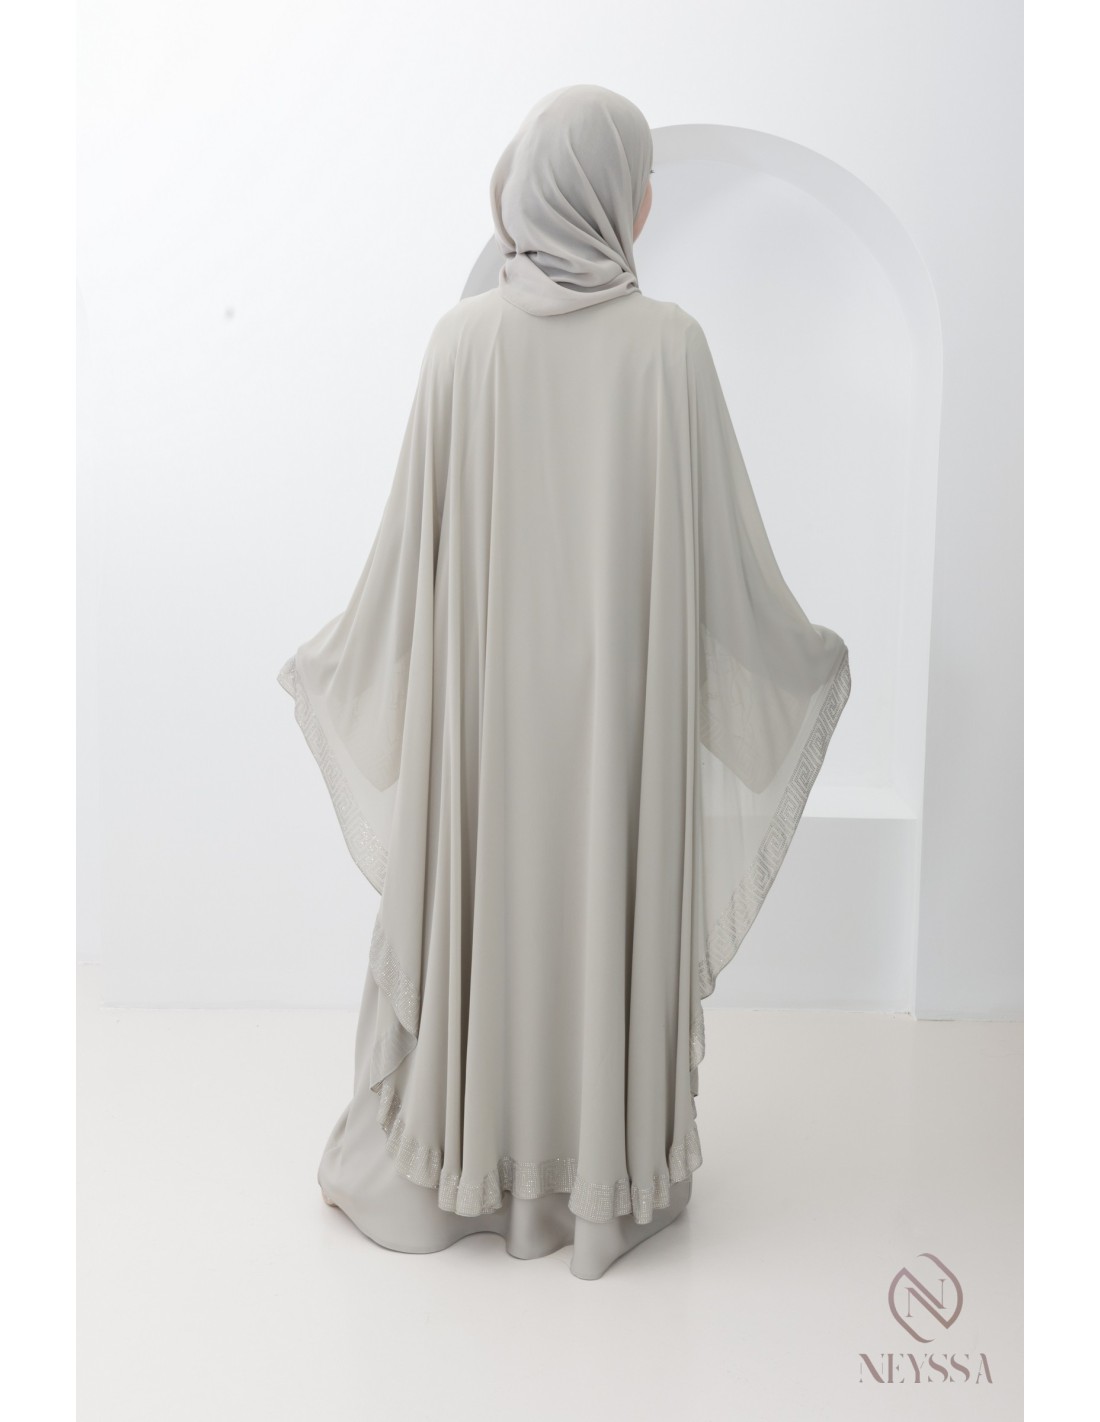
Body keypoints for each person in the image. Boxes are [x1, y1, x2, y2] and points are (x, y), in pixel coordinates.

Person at [277, 84, 851, 1280]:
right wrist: (803, 660)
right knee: (602, 908)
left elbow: (406, 559)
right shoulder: (668, 349)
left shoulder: (461, 344)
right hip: (617, 734)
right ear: (608, 195)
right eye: (639, 181)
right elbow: (724, 566)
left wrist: (342, 659)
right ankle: (594, 1180)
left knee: (491, 911)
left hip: (485, 732)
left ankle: (475, 1159)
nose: (644, 203)